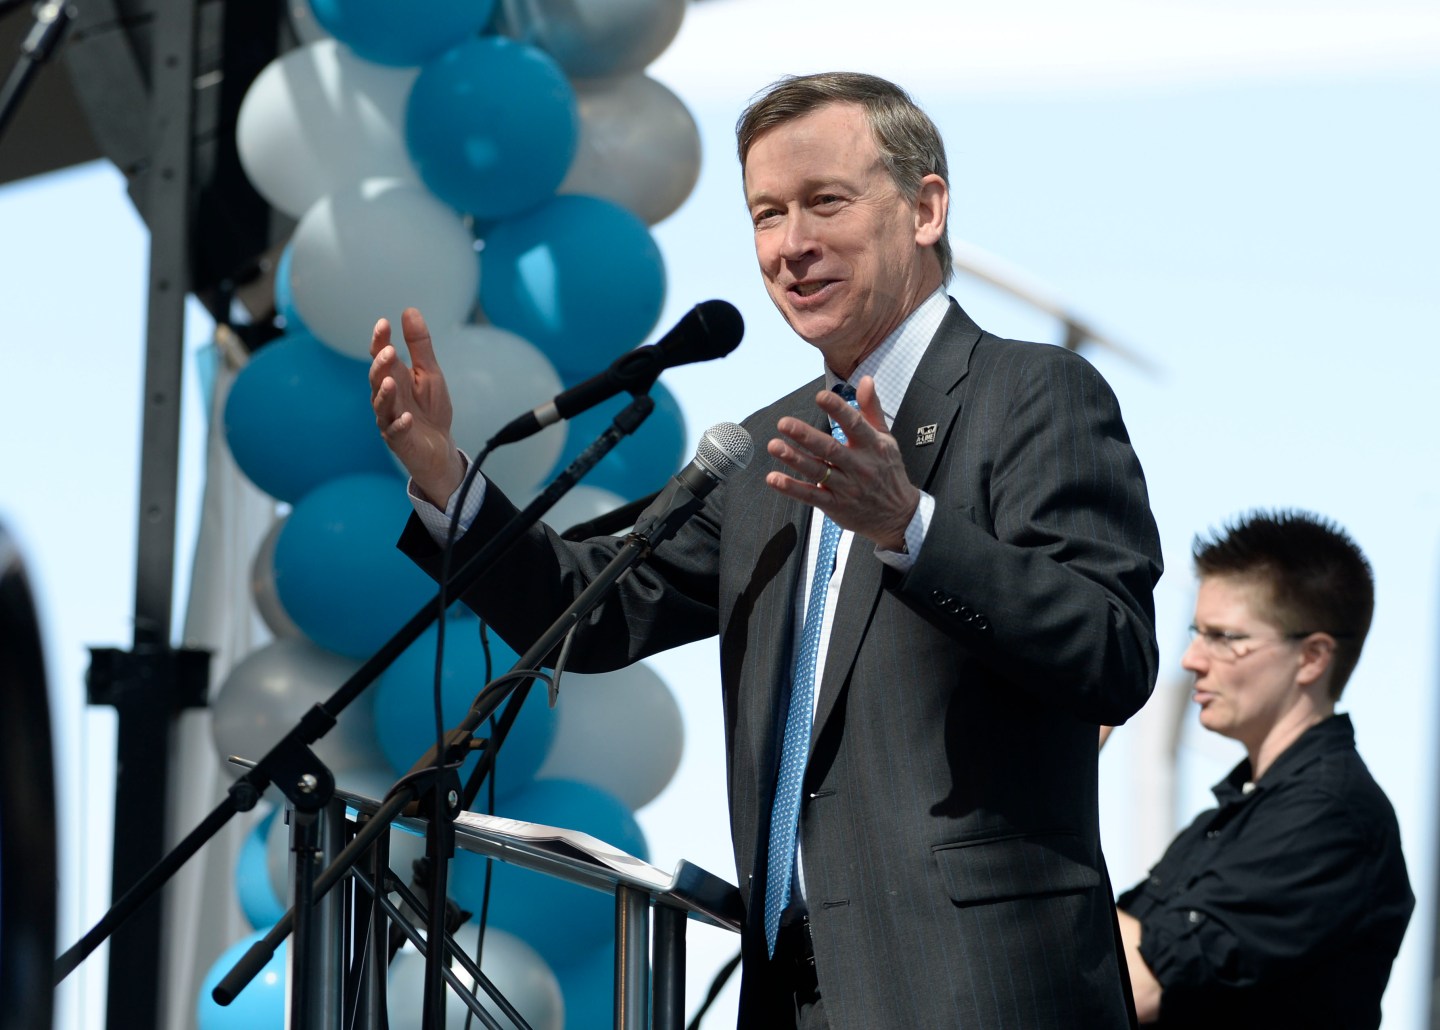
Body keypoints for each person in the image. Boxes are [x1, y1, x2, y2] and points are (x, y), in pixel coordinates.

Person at [370, 71, 1163, 1028]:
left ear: (925, 208)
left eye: (826, 202)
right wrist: (448, 483)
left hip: (976, 985)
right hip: (795, 992)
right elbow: (591, 611)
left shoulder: (1033, 393)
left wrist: (910, 528)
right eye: (766, 215)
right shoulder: (764, 449)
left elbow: (1111, 651)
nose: (792, 246)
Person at [1114, 511, 1413, 1028]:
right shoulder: (1236, 815)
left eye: (1224, 637)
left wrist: (1047, 794)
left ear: (1313, 657)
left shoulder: (1329, 817)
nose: (1191, 659)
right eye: (1195, 632)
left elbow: (1134, 984)